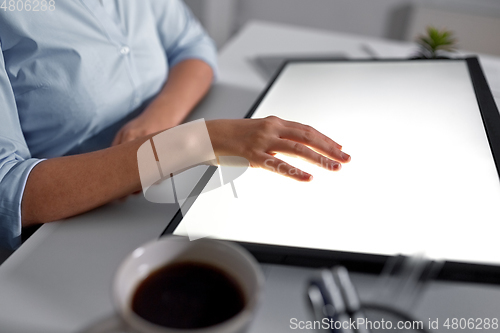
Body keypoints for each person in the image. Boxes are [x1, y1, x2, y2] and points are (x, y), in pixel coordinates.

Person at [0, 0, 350, 250]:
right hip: (62, 234)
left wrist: (158, 119)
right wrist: (188, 143)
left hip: (157, 194)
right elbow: (8, 190)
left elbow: (191, 46)